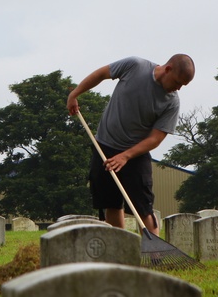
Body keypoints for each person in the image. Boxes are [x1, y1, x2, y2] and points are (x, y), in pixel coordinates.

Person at [66, 54, 195, 236]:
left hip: (135, 155)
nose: (178, 88)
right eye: (177, 82)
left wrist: (126, 156)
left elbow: (156, 138)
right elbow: (101, 74)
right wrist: (75, 94)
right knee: (111, 203)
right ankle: (120, 252)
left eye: (183, 85)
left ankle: (155, 257)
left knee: (144, 208)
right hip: (104, 145)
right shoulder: (135, 66)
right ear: (167, 69)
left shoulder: (172, 102)